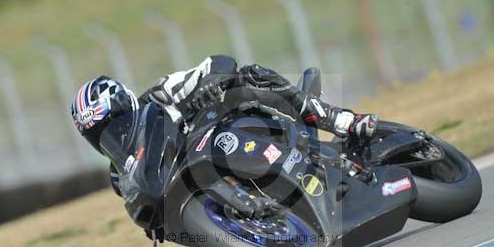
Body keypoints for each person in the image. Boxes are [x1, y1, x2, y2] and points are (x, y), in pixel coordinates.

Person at [71, 55, 378, 231]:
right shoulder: (121, 175)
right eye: (100, 135)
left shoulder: (162, 95)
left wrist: (210, 83)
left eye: (115, 124)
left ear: (127, 104)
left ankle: (342, 120)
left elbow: (218, 62)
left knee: (250, 76)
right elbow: (148, 211)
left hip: (242, 130)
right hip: (207, 189)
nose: (113, 135)